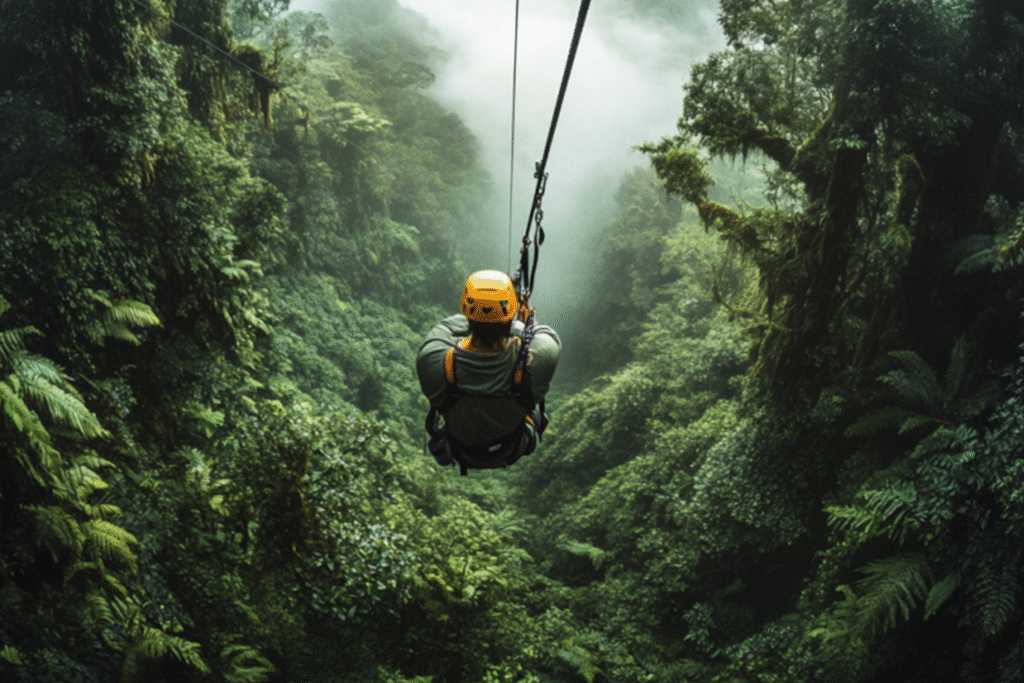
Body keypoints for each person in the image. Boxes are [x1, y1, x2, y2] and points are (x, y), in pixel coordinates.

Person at [417, 270, 560, 473]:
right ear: (509, 319)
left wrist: (483, 311)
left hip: (459, 450)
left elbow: (444, 328)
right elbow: (539, 333)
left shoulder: (432, 360)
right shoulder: (539, 359)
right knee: (531, 397)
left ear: (467, 312)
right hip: (514, 447)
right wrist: (514, 323)